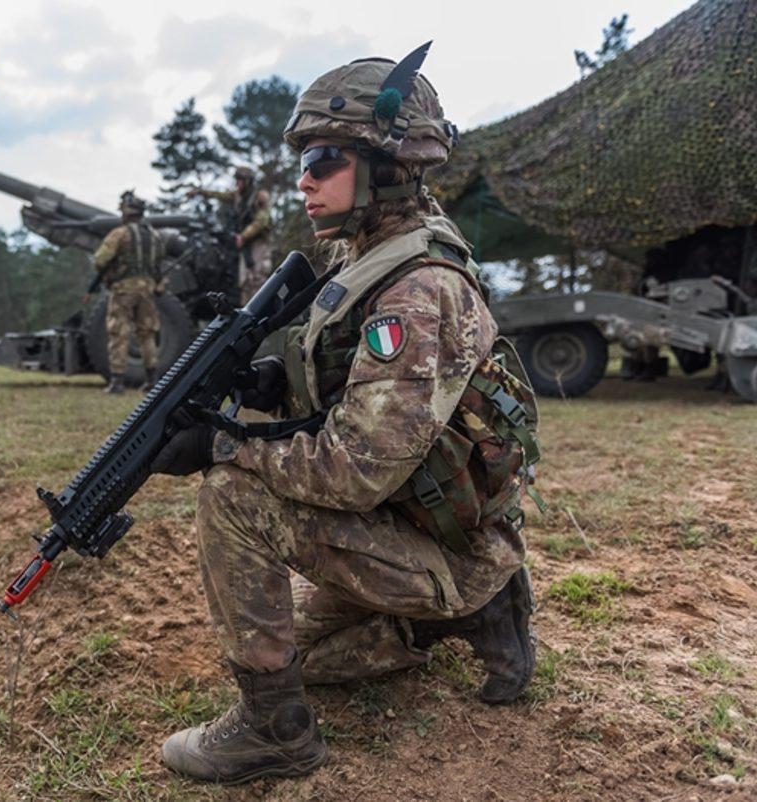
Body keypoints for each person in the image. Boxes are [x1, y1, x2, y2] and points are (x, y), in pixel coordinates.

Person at [150, 43, 542, 785]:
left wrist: (225, 448)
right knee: (299, 644)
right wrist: (274, 382)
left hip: (421, 531)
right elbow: (344, 389)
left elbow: (356, 470)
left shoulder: (417, 289)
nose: (303, 180)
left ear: (389, 165)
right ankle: (474, 609)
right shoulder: (366, 255)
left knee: (234, 497)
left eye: (324, 158)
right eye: (304, 160)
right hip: (418, 525)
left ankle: (276, 732)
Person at [92, 191, 165, 393]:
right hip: (147, 289)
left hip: (124, 289)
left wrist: (110, 274)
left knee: (118, 332)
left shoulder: (120, 234)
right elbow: (159, 264)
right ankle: (152, 380)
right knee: (147, 333)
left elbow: (100, 259)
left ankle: (117, 382)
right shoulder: (155, 236)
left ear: (126, 212)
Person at [192, 166, 272, 303]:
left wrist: (244, 236)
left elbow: (261, 221)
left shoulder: (260, 196)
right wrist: (199, 192)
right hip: (245, 244)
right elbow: (219, 195)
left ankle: (262, 310)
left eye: (240, 180)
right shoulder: (237, 196)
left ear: (248, 181)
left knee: (258, 279)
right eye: (237, 180)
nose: (237, 183)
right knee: (245, 281)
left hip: (258, 243)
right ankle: (248, 311)